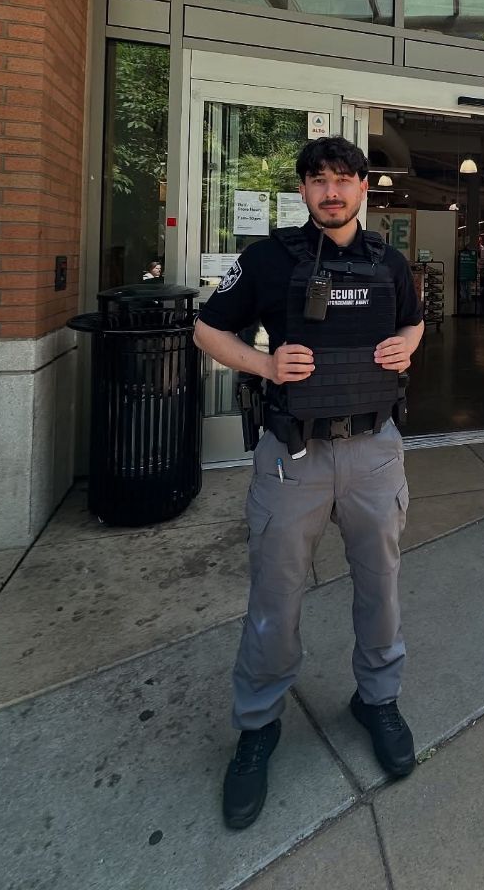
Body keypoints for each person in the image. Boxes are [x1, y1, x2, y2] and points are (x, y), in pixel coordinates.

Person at [193, 136, 425, 831]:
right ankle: (258, 724)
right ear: (302, 191)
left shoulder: (389, 262)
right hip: (292, 458)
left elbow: (414, 322)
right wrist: (265, 366)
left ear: (363, 188)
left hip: (375, 453)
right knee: (275, 594)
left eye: (344, 179)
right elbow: (205, 329)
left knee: (381, 586)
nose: (332, 191)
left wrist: (407, 345)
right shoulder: (269, 259)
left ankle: (378, 700)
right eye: (318, 180)